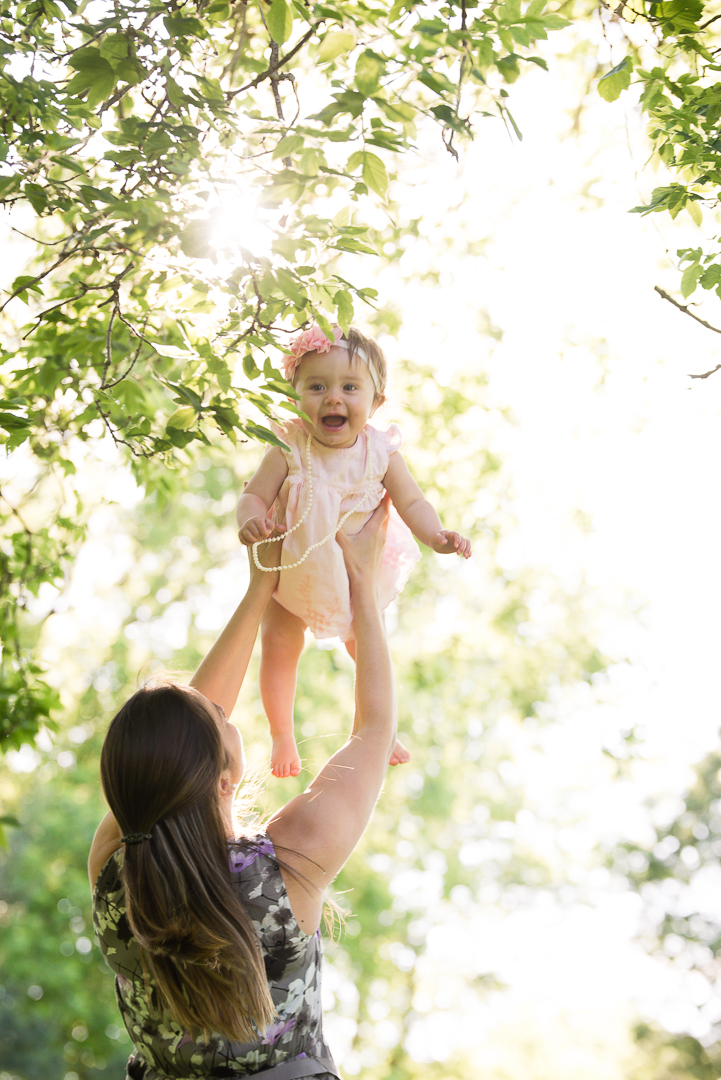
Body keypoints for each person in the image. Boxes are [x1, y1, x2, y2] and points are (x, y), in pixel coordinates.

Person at [89, 498, 397, 1080]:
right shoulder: (291, 862)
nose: (227, 712)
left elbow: (187, 739)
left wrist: (262, 587)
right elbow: (377, 729)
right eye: (221, 720)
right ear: (224, 779)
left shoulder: (113, 865)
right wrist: (361, 579)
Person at [236, 324, 472, 778]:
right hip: (290, 573)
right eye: (317, 387)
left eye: (349, 387)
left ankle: (376, 726)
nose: (333, 398)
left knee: (367, 647)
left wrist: (437, 535)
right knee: (280, 644)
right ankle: (281, 732)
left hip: (351, 574)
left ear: (375, 402)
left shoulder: (381, 453)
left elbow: (413, 502)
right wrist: (250, 518)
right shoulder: (290, 445)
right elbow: (253, 495)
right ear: (295, 398)